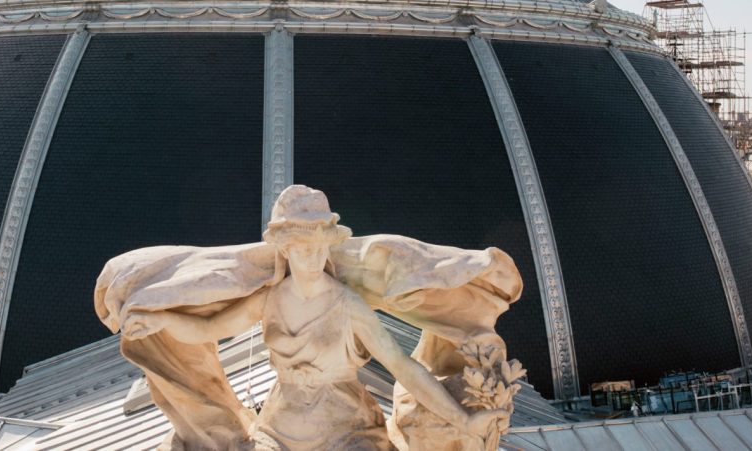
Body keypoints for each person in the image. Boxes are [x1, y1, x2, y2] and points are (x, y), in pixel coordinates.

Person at [113, 185, 513, 450]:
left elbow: (402, 367)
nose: (313, 255)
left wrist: (462, 420)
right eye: (302, 246)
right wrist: (161, 322)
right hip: (281, 430)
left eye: (319, 244)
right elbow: (208, 329)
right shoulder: (269, 299)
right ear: (285, 249)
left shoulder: (347, 304)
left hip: (347, 430)